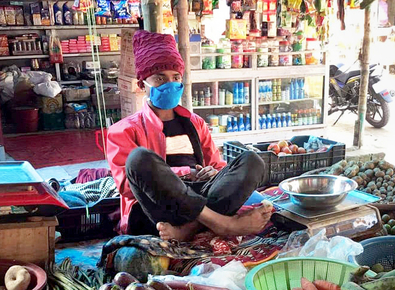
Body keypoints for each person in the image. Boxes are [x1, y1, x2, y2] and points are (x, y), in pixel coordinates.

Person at [106, 30, 272, 241]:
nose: (170, 83)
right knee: (139, 159)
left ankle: (189, 230)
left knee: (252, 160)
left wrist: (211, 173)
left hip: (202, 198)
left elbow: (219, 167)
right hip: (158, 211)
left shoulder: (195, 123)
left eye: (175, 77)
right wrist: (186, 173)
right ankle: (224, 224)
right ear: (142, 85)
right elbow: (127, 186)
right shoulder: (123, 130)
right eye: (160, 78)